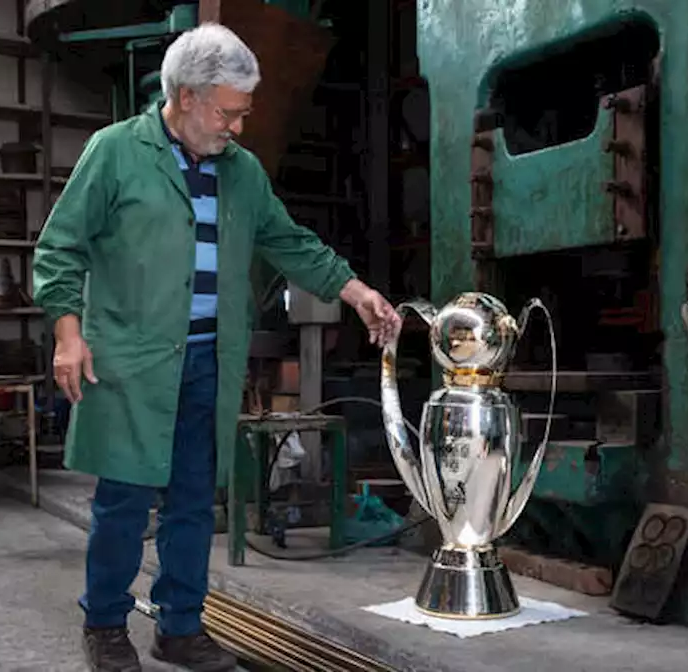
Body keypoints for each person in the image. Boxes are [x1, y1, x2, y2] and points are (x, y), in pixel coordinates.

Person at [32, 23, 402, 672]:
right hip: (129, 362)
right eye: (228, 112)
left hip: (208, 360)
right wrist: (67, 333)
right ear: (185, 97)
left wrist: (355, 290)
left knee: (195, 501)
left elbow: (289, 242)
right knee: (122, 502)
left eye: (242, 114)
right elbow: (61, 248)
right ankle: (106, 625)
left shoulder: (243, 173)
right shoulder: (115, 152)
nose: (237, 127)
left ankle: (179, 627)